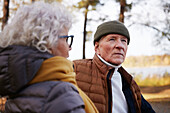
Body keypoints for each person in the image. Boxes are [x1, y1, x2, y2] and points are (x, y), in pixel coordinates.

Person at [0, 2, 98, 113]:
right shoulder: (60, 94)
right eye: (66, 39)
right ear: (48, 42)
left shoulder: (18, 86)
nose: (69, 48)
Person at [73, 20, 155, 113]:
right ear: (97, 47)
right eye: (112, 39)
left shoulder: (129, 82)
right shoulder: (75, 69)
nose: (120, 46)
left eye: (124, 41)